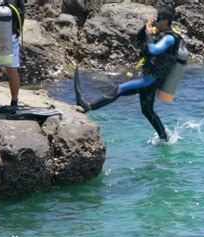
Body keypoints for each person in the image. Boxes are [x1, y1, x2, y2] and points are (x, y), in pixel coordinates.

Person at [75, 6, 182, 142]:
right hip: (150, 77)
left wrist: (149, 35)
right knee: (147, 111)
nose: (157, 20)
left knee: (119, 89)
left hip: (151, 79)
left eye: (159, 18)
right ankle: (164, 139)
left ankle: (88, 106)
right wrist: (145, 29)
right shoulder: (159, 34)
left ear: (166, 21)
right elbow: (139, 41)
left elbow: (154, 50)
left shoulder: (170, 38)